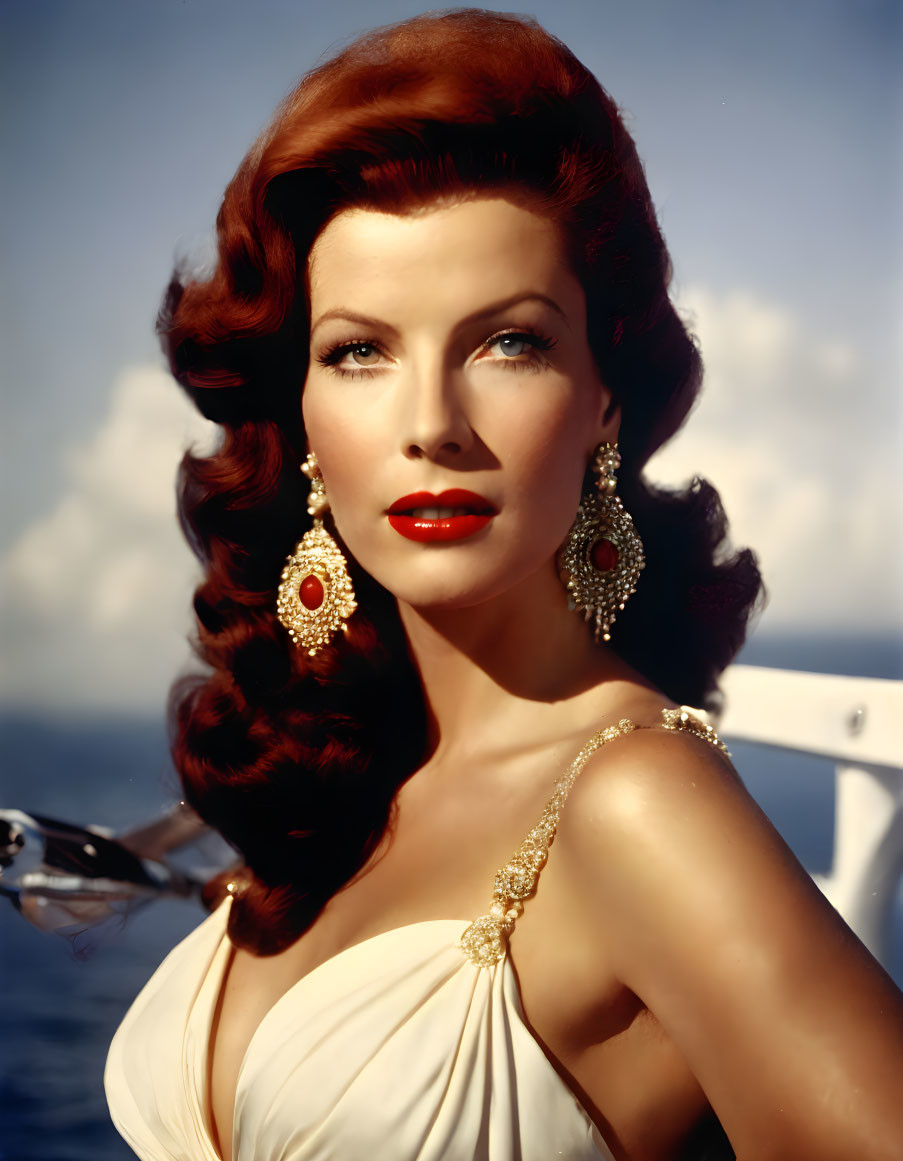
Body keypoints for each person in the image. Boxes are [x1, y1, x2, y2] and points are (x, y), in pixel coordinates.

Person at [103, 10, 903, 1161]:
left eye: (509, 343)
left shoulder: (641, 805)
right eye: (359, 351)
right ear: (306, 421)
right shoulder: (356, 771)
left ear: (603, 403)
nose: (432, 425)